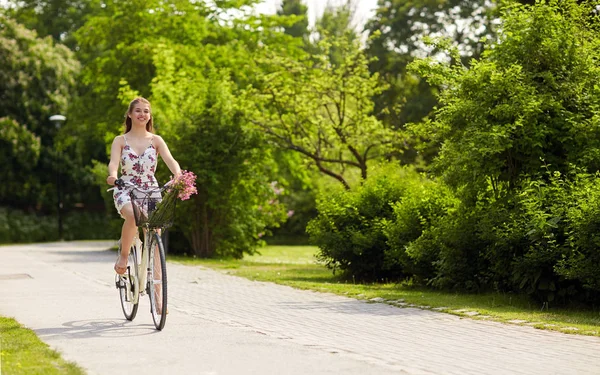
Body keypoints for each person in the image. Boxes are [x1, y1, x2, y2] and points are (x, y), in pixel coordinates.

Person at [106, 97, 181, 275]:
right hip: (126, 187)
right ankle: (124, 256)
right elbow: (113, 163)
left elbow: (171, 161)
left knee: (155, 235)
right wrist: (113, 176)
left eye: (146, 111)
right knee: (132, 215)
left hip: (151, 189)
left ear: (150, 116)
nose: (142, 114)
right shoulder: (120, 140)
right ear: (130, 115)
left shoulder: (156, 140)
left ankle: (158, 297)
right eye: (138, 110)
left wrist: (178, 176)